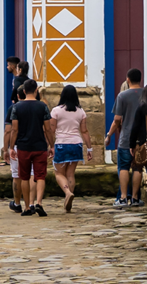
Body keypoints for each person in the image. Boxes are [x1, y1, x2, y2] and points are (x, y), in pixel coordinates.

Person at [9, 81, 54, 217]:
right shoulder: (43, 107)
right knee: (40, 176)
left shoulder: (17, 107)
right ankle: (39, 203)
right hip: (39, 145)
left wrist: (11, 147)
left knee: (24, 177)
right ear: (36, 91)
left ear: (23, 92)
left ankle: (27, 206)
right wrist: (51, 145)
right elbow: (47, 129)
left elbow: (14, 129)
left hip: (23, 146)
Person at [105, 69, 146, 207]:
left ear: (127, 79)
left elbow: (117, 120)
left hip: (126, 139)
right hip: (141, 138)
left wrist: (109, 135)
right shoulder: (146, 95)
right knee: (137, 168)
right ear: (140, 79)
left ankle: (123, 198)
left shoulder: (122, 96)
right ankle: (135, 198)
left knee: (123, 167)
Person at [49, 85, 88, 213]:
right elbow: (84, 131)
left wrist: (50, 145)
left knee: (59, 173)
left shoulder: (56, 111)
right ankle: (69, 196)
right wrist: (90, 149)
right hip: (76, 144)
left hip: (61, 144)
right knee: (70, 173)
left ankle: (67, 192)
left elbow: (51, 130)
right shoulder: (81, 112)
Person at [2, 78, 38, 213]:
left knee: (17, 176)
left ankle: (18, 203)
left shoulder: (13, 108)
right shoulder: (39, 106)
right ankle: (32, 203)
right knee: (33, 175)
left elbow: (8, 130)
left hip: (18, 146)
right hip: (35, 145)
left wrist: (6, 148)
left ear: (18, 95)